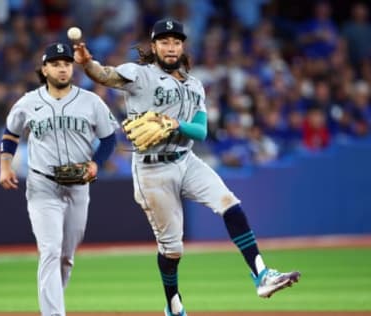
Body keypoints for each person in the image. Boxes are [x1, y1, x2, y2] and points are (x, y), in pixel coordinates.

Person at [73, 18, 300, 316]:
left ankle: (262, 274)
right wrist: (87, 64)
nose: (171, 47)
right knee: (172, 250)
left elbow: (202, 131)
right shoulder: (139, 74)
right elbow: (106, 75)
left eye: (176, 42)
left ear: (182, 46)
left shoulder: (194, 85)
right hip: (152, 170)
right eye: (164, 41)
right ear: (153, 46)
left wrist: (175, 123)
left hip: (186, 159)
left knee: (230, 205)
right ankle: (173, 305)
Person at [0, 42, 118, 316]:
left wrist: (96, 164)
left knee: (66, 258)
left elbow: (109, 138)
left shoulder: (90, 101)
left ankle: (54, 302)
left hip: (78, 186)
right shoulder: (28, 101)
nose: (62, 68)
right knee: (50, 251)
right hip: (43, 185)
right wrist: (5, 166)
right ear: (44, 69)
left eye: (66, 63)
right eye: (56, 64)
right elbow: (10, 134)